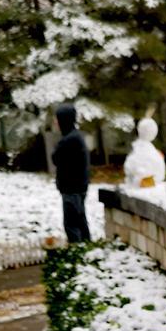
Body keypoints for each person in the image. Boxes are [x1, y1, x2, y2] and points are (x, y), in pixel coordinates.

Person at [52, 103, 91, 242]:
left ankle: (78, 252)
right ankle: (87, 249)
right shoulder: (75, 137)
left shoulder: (69, 140)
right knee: (80, 221)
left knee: (72, 224)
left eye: (57, 118)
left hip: (72, 189)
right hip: (78, 187)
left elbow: (56, 158)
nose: (55, 122)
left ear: (63, 120)